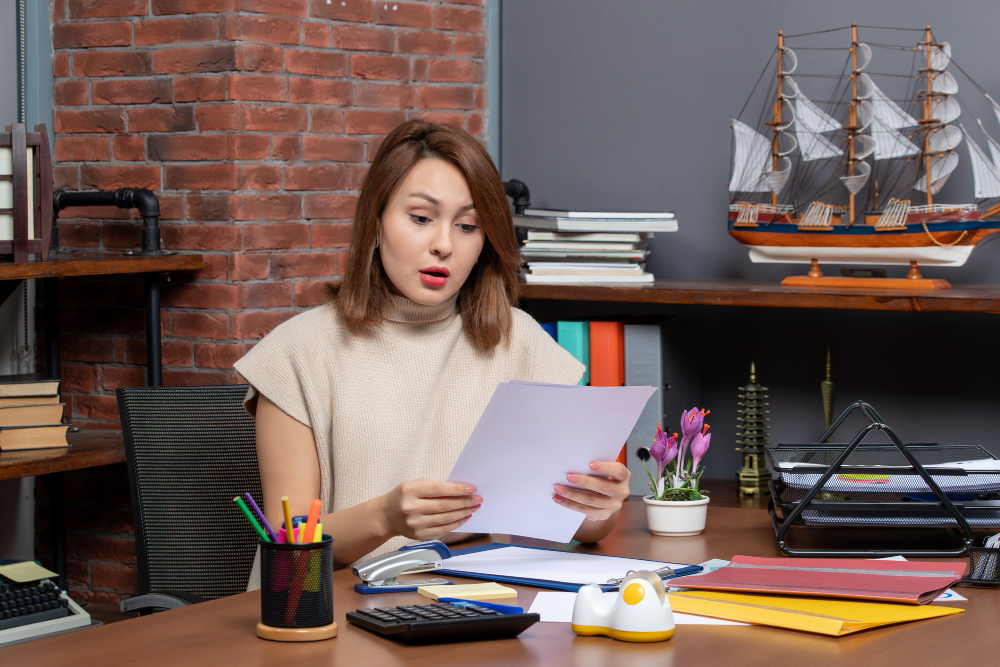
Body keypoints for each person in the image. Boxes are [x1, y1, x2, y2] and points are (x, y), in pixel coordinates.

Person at [235, 120, 630, 587]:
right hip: (327, 612)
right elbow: (288, 541)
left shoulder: (520, 342)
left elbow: (586, 529)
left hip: (472, 604)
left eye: (467, 226)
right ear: (376, 222)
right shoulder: (296, 353)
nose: (444, 244)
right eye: (421, 219)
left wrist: (601, 505)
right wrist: (384, 516)